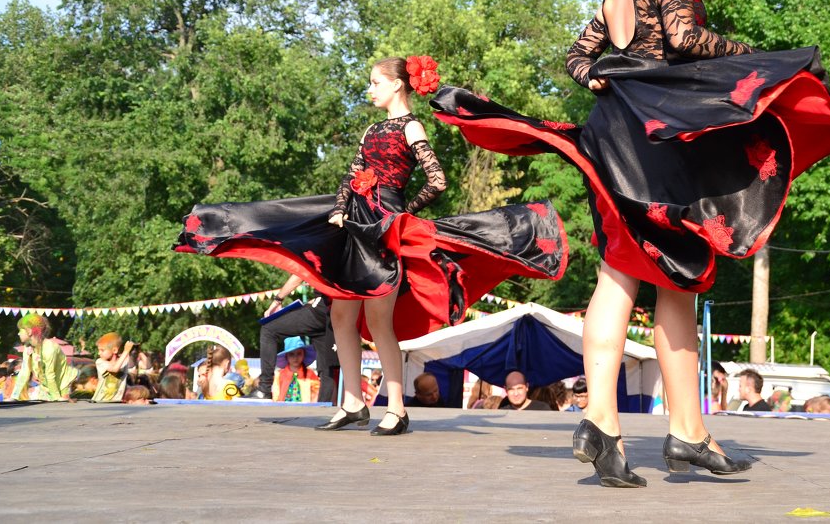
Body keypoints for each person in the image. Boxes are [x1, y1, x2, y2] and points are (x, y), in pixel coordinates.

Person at [432, 0, 830, 488]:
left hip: (615, 130)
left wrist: (616, 81)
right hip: (653, 136)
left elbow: (579, 58)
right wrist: (756, 61)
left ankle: (614, 423)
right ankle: (681, 431)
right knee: (675, 278)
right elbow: (684, 36)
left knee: (628, 272)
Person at [176, 55, 569, 436]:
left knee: (380, 323)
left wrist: (401, 213)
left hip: (383, 233)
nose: (370, 90)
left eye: (375, 83)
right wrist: (340, 210)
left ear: (397, 83)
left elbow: (438, 181)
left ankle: (396, 409)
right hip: (352, 227)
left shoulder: (411, 128)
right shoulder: (371, 131)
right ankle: (352, 403)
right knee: (341, 318)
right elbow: (352, 175)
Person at [252, 274, 337, 403]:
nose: (295, 358)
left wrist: (278, 300)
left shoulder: (317, 253)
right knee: (327, 367)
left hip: (323, 306)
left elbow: (300, 273)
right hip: (336, 309)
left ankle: (264, 389)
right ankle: (323, 406)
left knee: (268, 329)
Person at [10, 313, 76, 401]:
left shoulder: (50, 348)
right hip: (47, 385)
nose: (18, 334)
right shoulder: (27, 348)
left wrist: (56, 398)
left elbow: (50, 375)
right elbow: (24, 372)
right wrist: (14, 396)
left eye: (20, 331)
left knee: (60, 408)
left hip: (62, 383)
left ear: (29, 331)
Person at [273, 336, 320, 403]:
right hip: (283, 410)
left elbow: (316, 394)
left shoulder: (310, 373)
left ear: (304, 354)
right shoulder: (279, 374)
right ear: (286, 356)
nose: (295, 357)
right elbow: (275, 395)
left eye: (299, 353)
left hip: (305, 410)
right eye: (291, 354)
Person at [93, 333, 136, 403]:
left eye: (102, 350)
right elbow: (115, 369)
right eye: (99, 350)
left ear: (115, 350)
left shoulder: (124, 361)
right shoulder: (100, 362)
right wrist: (126, 351)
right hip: (100, 402)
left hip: (117, 402)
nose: (99, 353)